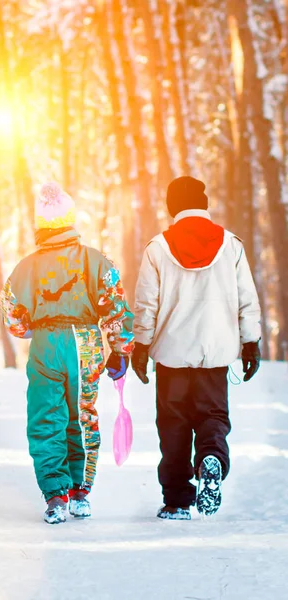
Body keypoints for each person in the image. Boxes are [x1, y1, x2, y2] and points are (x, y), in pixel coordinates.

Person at [0, 182, 134, 524]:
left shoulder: (26, 267)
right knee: (81, 413)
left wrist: (30, 329)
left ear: (39, 224)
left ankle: (55, 494)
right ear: (71, 219)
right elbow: (115, 304)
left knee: (46, 417)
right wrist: (119, 349)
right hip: (84, 343)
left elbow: (13, 310)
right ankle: (80, 491)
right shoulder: (95, 261)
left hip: (46, 343)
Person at [131, 176, 261, 520]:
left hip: (172, 354)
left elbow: (146, 305)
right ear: (202, 205)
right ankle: (212, 456)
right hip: (216, 352)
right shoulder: (231, 245)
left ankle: (176, 500)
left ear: (172, 207)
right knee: (212, 416)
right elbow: (247, 299)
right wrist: (251, 342)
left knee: (173, 425)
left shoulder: (158, 247)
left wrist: (141, 347)